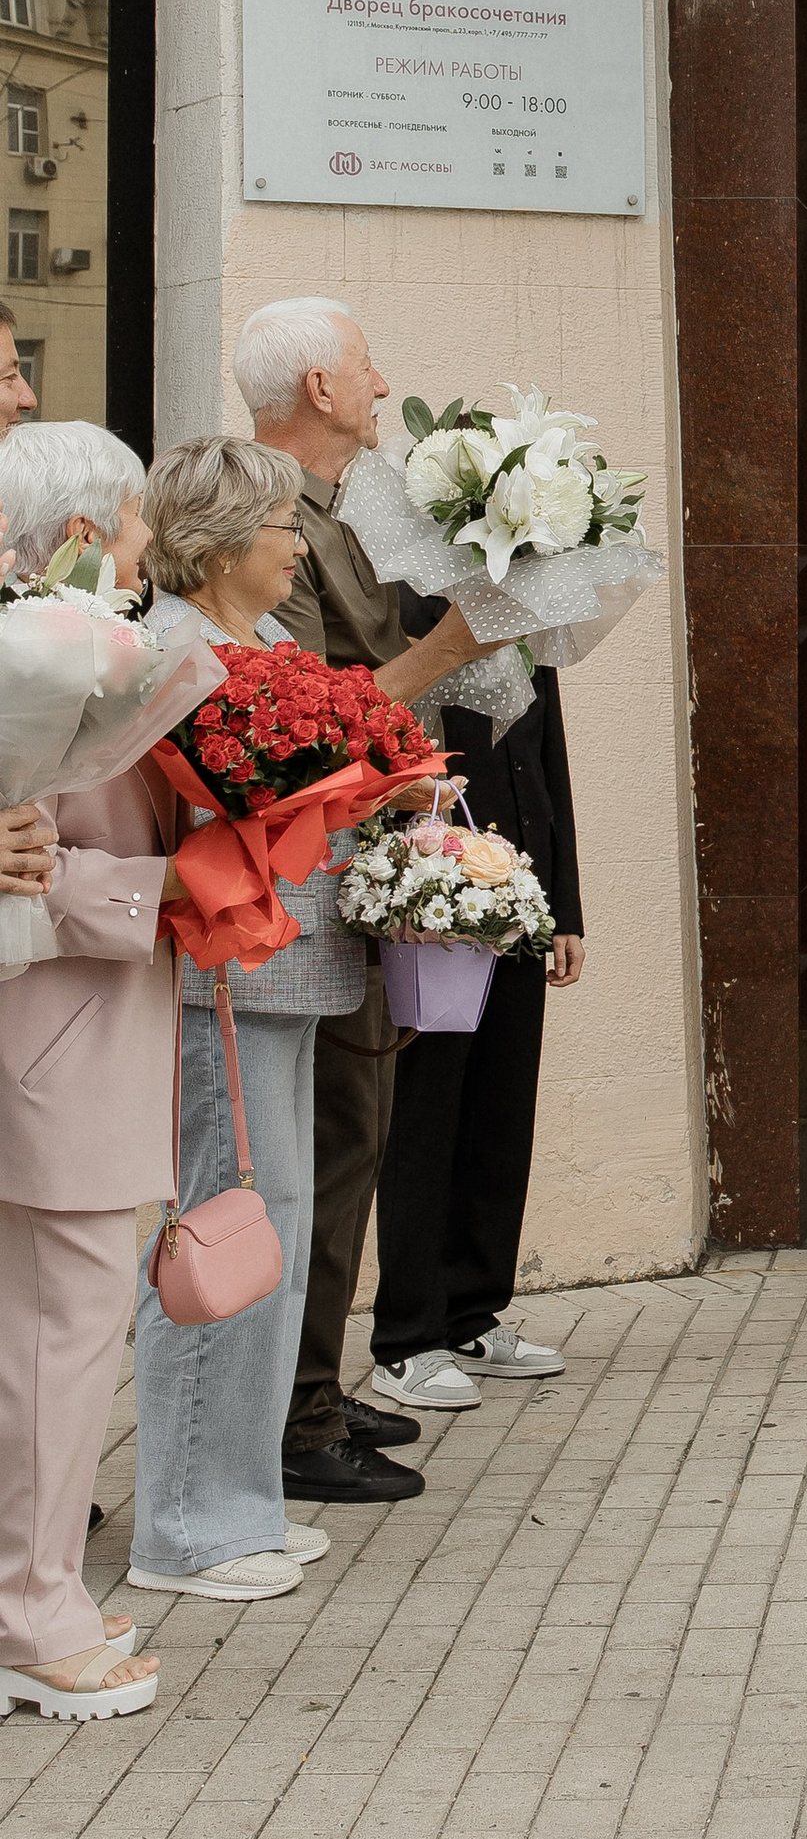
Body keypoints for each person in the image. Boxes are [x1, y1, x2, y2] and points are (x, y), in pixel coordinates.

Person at [128, 438, 392, 1602]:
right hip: (223, 983)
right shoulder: (175, 656)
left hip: (286, 977)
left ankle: (240, 1502)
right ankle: (186, 1528)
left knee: (269, 1244)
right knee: (220, 1243)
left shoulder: (270, 641)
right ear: (222, 542)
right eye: (283, 526)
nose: (298, 544)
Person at [234, 299, 481, 1503]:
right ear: (322, 389)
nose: (386, 388)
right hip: (303, 880)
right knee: (328, 1143)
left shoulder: (340, 509)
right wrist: (456, 646)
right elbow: (309, 722)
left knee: (357, 1133)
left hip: (362, 858)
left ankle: (318, 1382)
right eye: (369, 368)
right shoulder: (260, 521)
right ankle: (294, 1415)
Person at [0, 424, 158, 1714]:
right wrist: (181, 883)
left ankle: (31, 1590)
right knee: (61, 1353)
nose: (151, 543)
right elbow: (37, 870)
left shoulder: (65, 652)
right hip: (60, 1050)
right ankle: (34, 1616)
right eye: (138, 518)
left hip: (63, 1046)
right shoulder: (49, 660)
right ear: (83, 536)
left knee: (36, 1351)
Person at [368, 660, 583, 1413]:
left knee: (501, 1114)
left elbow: (551, 768)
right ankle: (405, 1336)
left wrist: (563, 911)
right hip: (437, 906)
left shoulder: (529, 629)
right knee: (425, 1119)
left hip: (519, 904)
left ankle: (471, 1314)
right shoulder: (415, 619)